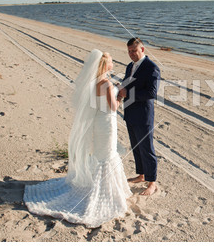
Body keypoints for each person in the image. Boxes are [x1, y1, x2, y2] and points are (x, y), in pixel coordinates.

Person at [23, 49, 132, 228]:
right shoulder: (105, 83)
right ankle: (103, 192)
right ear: (105, 65)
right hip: (106, 123)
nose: (113, 62)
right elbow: (113, 108)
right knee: (107, 155)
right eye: (111, 60)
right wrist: (121, 94)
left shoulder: (95, 82)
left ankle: (97, 186)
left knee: (100, 154)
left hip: (98, 122)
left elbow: (94, 104)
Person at [118, 38, 160, 196]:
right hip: (130, 112)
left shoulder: (151, 68)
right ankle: (141, 175)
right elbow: (126, 83)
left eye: (134, 51)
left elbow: (152, 93)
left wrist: (128, 93)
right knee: (136, 146)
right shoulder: (130, 66)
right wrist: (118, 89)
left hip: (143, 115)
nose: (131, 54)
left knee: (147, 148)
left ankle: (152, 182)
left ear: (142, 50)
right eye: (129, 51)